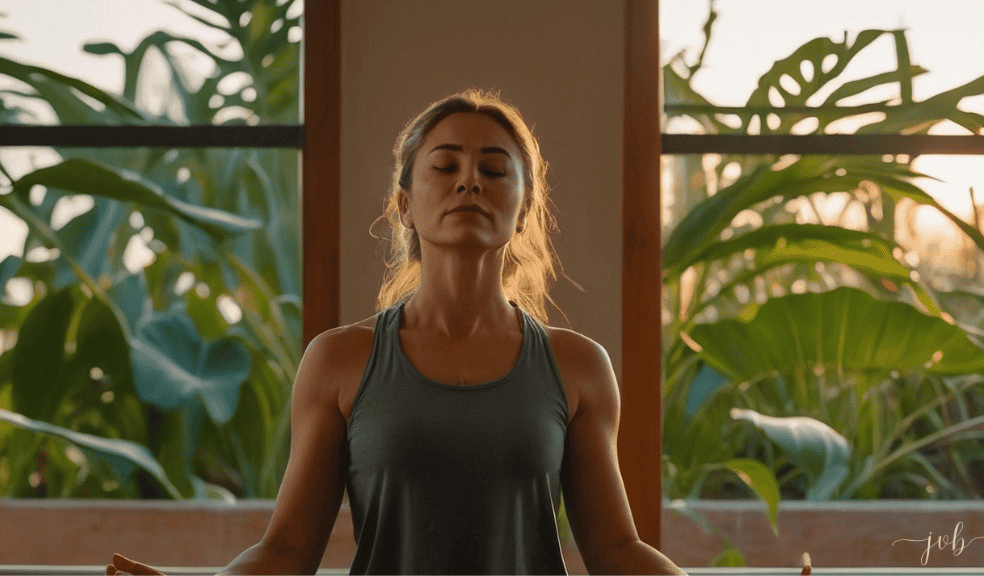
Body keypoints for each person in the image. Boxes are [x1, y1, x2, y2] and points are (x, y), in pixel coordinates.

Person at [108, 89, 686, 575]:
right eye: (445, 166)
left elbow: (616, 552)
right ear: (406, 204)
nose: (469, 183)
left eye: (492, 169)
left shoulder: (578, 366)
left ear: (525, 206)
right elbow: (286, 552)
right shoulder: (339, 359)